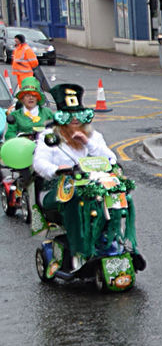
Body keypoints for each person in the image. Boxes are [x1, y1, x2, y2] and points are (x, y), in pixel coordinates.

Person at [32, 84, 120, 263]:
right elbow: (39, 163)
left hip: (91, 186)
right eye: (69, 116)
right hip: (57, 189)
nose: (74, 120)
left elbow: (111, 159)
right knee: (73, 197)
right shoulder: (49, 136)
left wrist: (87, 143)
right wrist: (56, 169)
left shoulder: (93, 136)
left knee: (115, 197)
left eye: (78, 115)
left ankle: (110, 241)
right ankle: (80, 250)